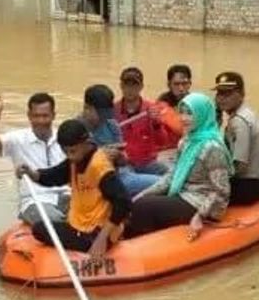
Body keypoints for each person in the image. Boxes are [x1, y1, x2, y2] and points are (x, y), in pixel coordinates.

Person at [16, 120, 132, 261]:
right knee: (45, 226)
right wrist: (31, 173)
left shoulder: (99, 166)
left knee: (39, 229)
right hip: (82, 224)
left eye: (72, 151)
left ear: (86, 143)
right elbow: (55, 175)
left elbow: (124, 202)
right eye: (66, 152)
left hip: (97, 232)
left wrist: (102, 238)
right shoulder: (76, 159)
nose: (70, 156)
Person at [129, 93, 232, 240]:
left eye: (190, 113)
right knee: (139, 201)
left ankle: (141, 248)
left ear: (202, 114)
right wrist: (144, 193)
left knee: (143, 207)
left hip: (199, 201)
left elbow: (222, 190)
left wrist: (200, 216)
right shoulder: (187, 141)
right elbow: (172, 175)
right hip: (183, 192)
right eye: (182, 112)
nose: (183, 118)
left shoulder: (212, 147)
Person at [0, 90, 69, 225]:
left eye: (45, 116)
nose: (41, 121)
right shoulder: (17, 139)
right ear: (29, 116)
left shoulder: (65, 137)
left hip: (66, 197)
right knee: (55, 222)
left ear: (53, 116)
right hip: (36, 201)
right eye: (36, 116)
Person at [82, 84, 161, 197]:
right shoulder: (76, 128)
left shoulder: (112, 124)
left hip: (122, 173)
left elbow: (124, 160)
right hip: (99, 180)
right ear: (87, 108)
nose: (104, 117)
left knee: (164, 181)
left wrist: (119, 156)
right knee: (159, 183)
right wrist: (101, 154)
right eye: (100, 113)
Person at [212, 71, 259, 205]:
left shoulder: (239, 121)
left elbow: (240, 166)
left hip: (248, 186)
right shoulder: (245, 112)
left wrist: (215, 177)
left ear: (241, 94)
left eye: (227, 94)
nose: (221, 98)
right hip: (257, 181)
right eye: (219, 93)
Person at [115, 67, 179, 175]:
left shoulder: (152, 108)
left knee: (172, 176)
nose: (130, 89)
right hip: (124, 165)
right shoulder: (113, 110)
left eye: (134, 85)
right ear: (121, 86)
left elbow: (162, 142)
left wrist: (156, 124)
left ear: (141, 87)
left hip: (147, 163)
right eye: (127, 84)